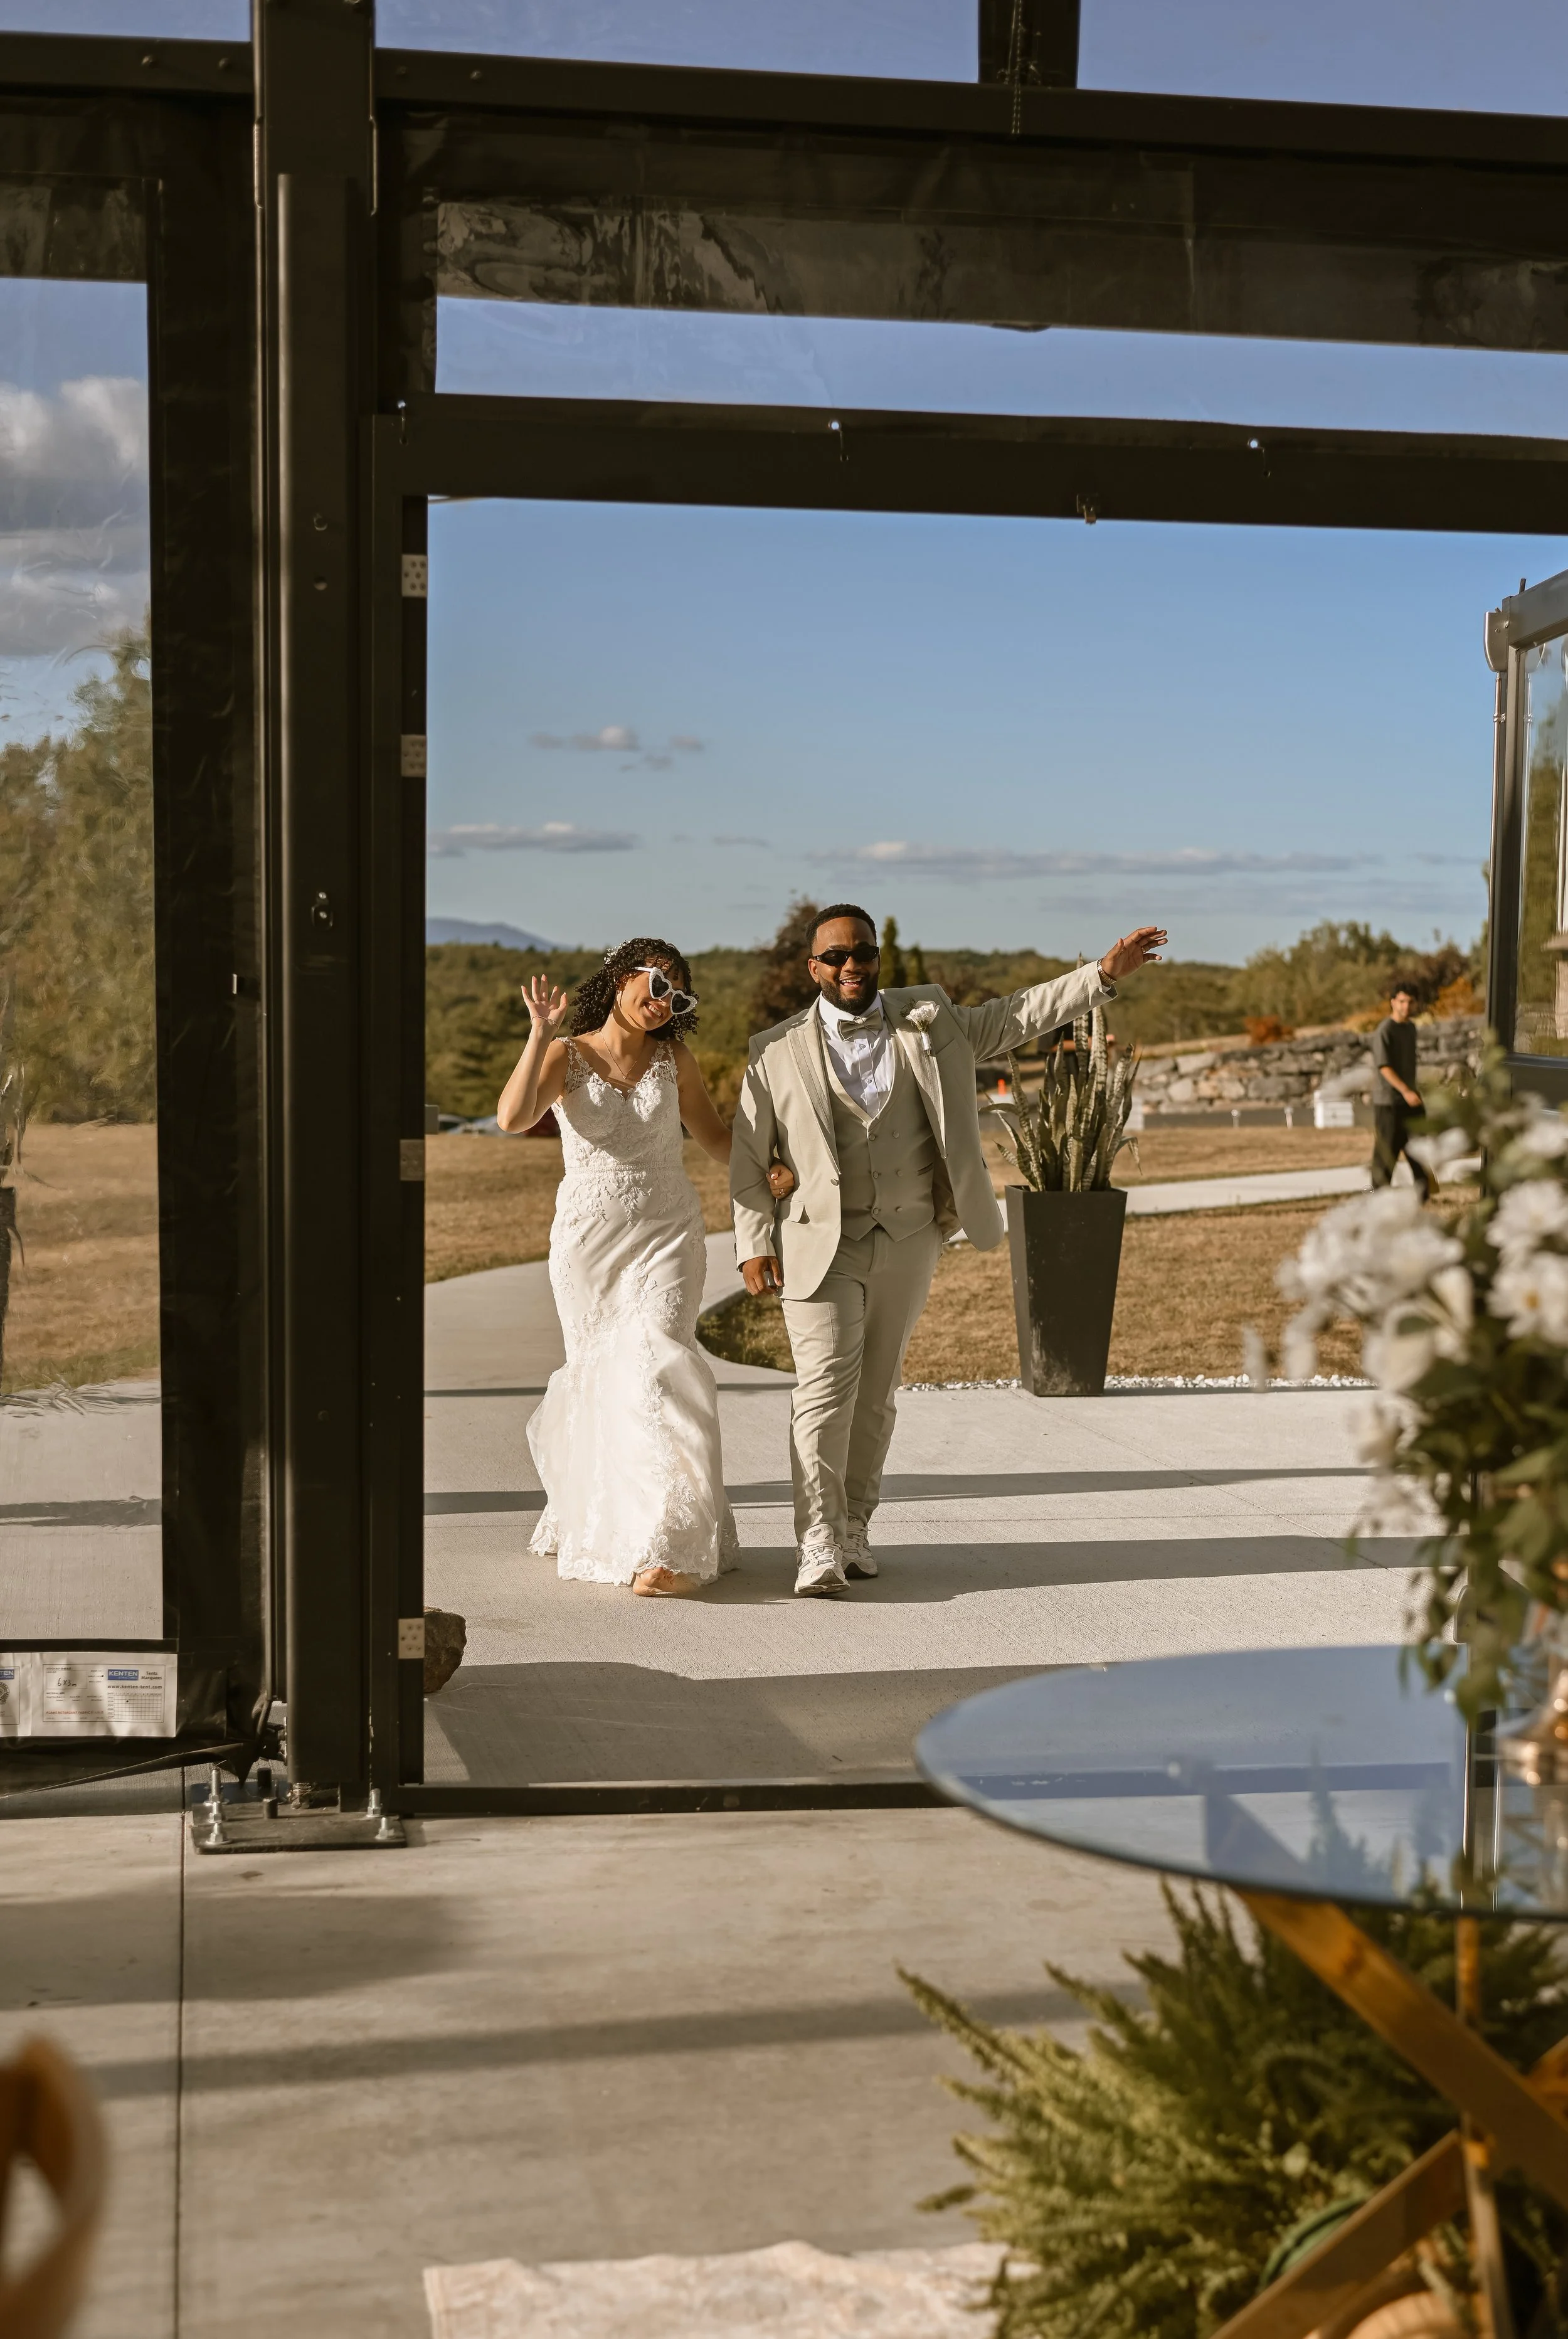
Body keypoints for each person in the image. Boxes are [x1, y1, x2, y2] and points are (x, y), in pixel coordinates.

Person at [730, 904, 1168, 1596]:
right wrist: (753, 1242)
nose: (853, 966)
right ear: (812, 968)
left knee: (876, 1393)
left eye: (863, 953)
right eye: (837, 956)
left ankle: (854, 1528)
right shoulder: (773, 1050)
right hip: (820, 1242)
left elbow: (1017, 1015)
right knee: (822, 1393)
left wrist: (1102, 977)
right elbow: (750, 1158)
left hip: (909, 1234)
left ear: (877, 958)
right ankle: (815, 1540)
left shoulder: (928, 1018)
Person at [497, 937, 791, 1598]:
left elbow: (716, 1138)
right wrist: (540, 1032)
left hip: (667, 1233)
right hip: (588, 1243)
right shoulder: (565, 1055)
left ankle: (671, 1545)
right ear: (623, 977)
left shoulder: (673, 1059)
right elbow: (513, 1117)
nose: (664, 1005)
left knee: (661, 1363)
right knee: (603, 1378)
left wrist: (763, 1168)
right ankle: (600, 1521)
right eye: (657, 986)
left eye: (677, 997)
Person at [1369, 980, 1431, 1203]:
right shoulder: (1385, 1030)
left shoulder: (1410, 1028)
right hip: (1389, 1103)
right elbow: (1384, 1067)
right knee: (1386, 1155)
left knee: (1418, 1149)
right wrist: (1405, 1091)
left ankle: (1423, 1195)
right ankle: (1374, 1197)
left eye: (1410, 1002)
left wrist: (1413, 1092)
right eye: (1402, 1001)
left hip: (1411, 1101)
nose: (1406, 1006)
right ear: (1393, 1002)